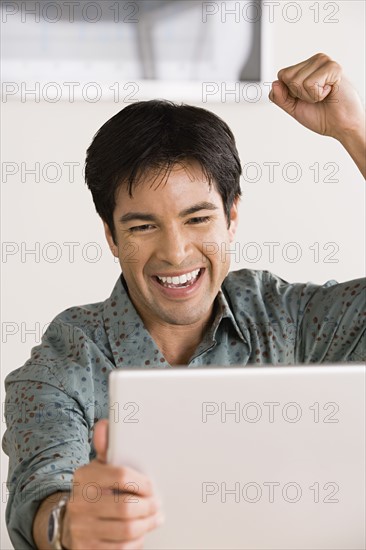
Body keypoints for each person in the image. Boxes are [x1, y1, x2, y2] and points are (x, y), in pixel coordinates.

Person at [3, 53, 365, 550]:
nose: (175, 253)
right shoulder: (63, 364)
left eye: (198, 219)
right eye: (143, 226)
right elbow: (42, 493)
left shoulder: (290, 319)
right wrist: (66, 525)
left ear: (232, 218)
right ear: (111, 235)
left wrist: (355, 131)